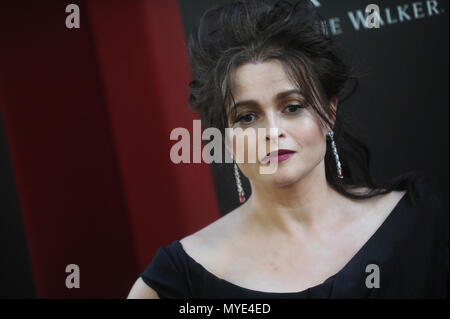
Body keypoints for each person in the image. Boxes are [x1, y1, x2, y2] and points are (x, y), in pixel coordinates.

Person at [127, 0, 448, 298]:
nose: (272, 132)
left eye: (292, 107)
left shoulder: (418, 222)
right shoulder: (181, 278)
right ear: (224, 136)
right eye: (247, 116)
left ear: (328, 114)